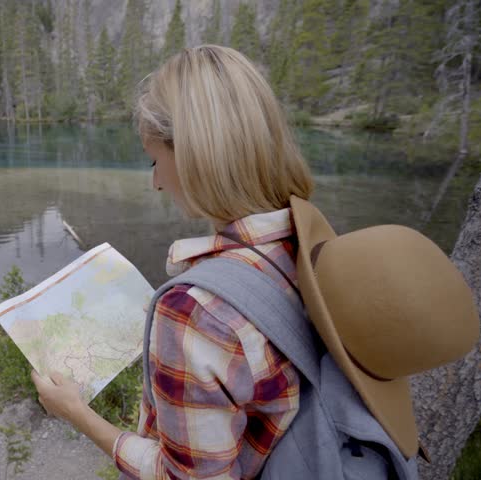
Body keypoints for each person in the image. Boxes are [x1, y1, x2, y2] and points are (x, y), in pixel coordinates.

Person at [31, 45, 313, 479]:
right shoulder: (305, 238)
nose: (156, 182)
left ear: (196, 157)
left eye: (155, 160)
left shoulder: (194, 314)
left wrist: (75, 413)